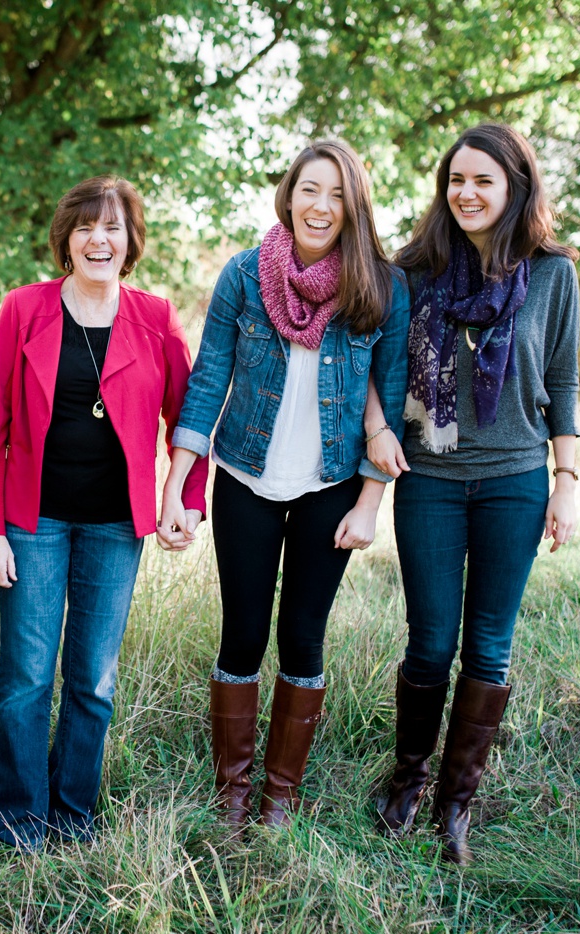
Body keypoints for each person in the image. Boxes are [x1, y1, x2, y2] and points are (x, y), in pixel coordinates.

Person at [159, 140, 409, 831]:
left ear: (353, 206)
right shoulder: (245, 274)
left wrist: (369, 504)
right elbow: (208, 379)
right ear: (288, 195)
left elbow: (387, 403)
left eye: (336, 194)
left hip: (329, 483)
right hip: (243, 475)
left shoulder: (379, 288)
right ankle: (233, 793)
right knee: (241, 635)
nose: (320, 206)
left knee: (302, 636)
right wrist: (177, 485)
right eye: (309, 190)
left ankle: (279, 795)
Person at [0, 176, 208, 850]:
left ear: (130, 241)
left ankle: (74, 819)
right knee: (25, 679)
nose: (98, 240)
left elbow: (186, 421)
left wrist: (187, 500)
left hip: (114, 527)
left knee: (93, 682)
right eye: (84, 228)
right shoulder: (23, 309)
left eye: (113, 228)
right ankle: (17, 824)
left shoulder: (156, 318)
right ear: (66, 240)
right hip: (31, 521)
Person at [369, 123, 580, 865]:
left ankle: (457, 803)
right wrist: (376, 429)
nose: (467, 193)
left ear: (515, 186)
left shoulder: (552, 274)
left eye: (483, 180)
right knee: (429, 640)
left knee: (489, 647)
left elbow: (562, 383)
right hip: (429, 478)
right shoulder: (414, 272)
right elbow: (379, 365)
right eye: (457, 180)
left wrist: (567, 481)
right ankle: (408, 780)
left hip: (515, 482)